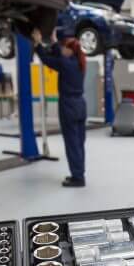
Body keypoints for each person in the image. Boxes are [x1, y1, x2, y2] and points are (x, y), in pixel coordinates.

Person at [32, 28, 87, 187]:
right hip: (80, 104)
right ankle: (79, 173)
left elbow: (46, 58)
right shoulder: (79, 63)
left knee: (72, 143)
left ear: (69, 50)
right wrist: (55, 43)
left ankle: (78, 178)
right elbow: (59, 56)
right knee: (79, 143)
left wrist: (38, 43)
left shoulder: (65, 63)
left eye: (64, 47)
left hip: (69, 105)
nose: (61, 49)